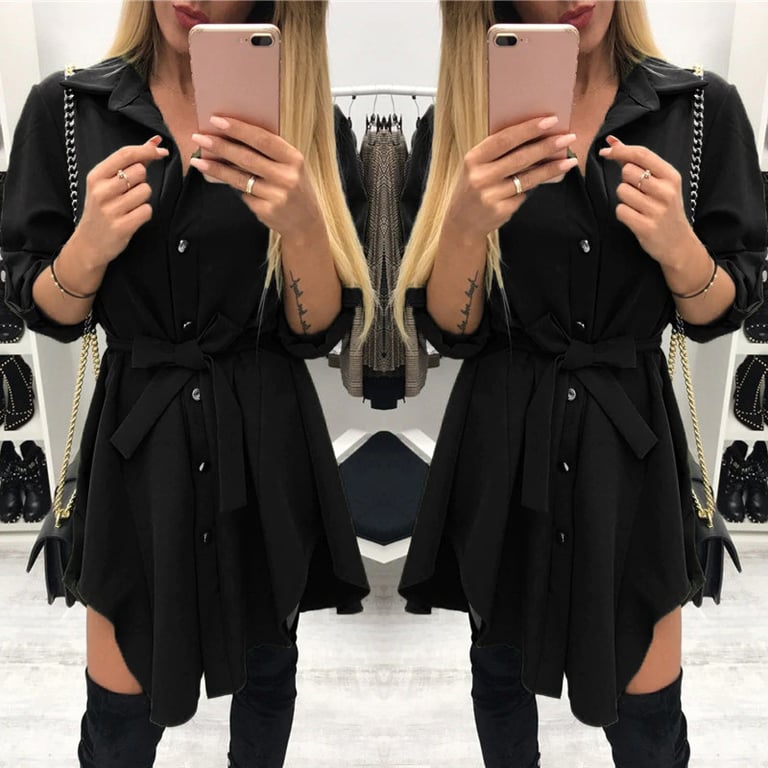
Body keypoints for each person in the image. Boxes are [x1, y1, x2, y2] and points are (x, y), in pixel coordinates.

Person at [1, 1, 374, 765]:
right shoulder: (67, 110)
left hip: (266, 439)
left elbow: (318, 330)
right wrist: (87, 249)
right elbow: (44, 309)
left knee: (267, 682)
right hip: (138, 445)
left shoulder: (311, 122)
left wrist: (304, 227)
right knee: (119, 717)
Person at [394, 1, 767, 766]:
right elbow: (450, 330)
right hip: (502, 440)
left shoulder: (700, 110)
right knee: (500, 680)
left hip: (629, 445)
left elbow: (723, 309)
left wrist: (680, 249)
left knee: (648, 717)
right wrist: (463, 227)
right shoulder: (456, 123)